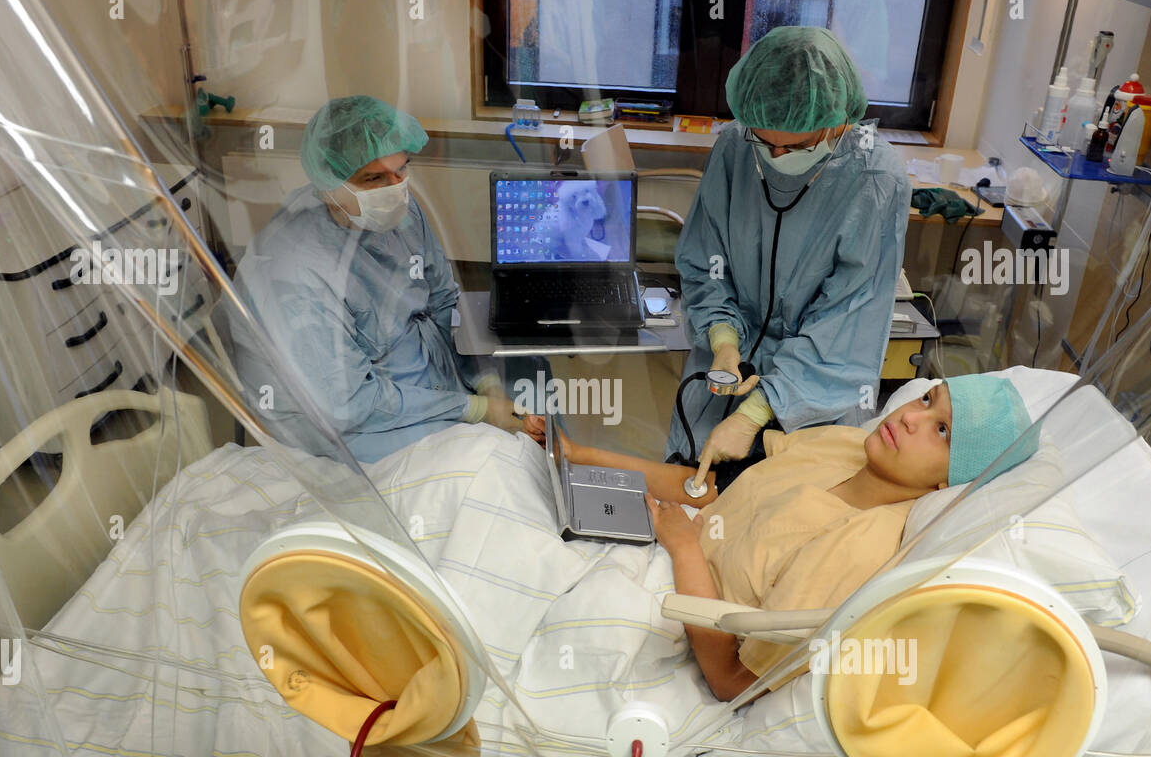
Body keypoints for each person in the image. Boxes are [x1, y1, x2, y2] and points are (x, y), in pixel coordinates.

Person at [530, 374, 1036, 701]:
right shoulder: (843, 445)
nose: (909, 415)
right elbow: (705, 493)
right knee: (502, 462)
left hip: (666, 618)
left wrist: (683, 546)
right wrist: (582, 455)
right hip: (661, 540)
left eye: (940, 429)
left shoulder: (860, 550)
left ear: (949, 482)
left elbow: (733, 680)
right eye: (927, 399)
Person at [668, 26, 911, 490]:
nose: (777, 155)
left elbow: (847, 324)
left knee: (782, 516)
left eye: (796, 146)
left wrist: (761, 410)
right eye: (766, 142)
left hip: (815, 394)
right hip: (725, 376)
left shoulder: (876, 181)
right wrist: (722, 339)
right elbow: (705, 260)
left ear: (836, 120)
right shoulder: (736, 147)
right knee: (689, 489)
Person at [222, 96, 522, 464]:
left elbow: (445, 299)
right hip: (347, 422)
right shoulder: (297, 273)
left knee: (526, 401)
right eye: (374, 178)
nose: (395, 189)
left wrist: (485, 380)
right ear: (331, 183)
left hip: (407, 381)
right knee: (489, 457)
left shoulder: (399, 210)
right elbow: (348, 402)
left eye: (401, 170)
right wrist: (471, 409)